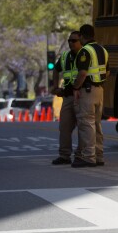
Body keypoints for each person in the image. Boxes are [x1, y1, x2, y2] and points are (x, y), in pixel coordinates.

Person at [70, 24, 109, 168]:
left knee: (86, 124)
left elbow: (82, 73)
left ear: (81, 36)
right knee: (96, 124)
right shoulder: (103, 50)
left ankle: (88, 157)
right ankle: (99, 155)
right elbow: (107, 72)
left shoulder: (85, 51)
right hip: (99, 90)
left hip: (87, 91)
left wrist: (76, 87)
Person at [51, 31, 81, 165]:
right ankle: (64, 155)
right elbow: (55, 69)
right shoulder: (65, 57)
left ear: (81, 41)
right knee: (64, 127)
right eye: (69, 40)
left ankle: (82, 155)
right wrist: (55, 87)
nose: (71, 43)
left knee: (84, 128)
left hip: (82, 97)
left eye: (74, 40)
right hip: (68, 97)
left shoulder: (85, 55)